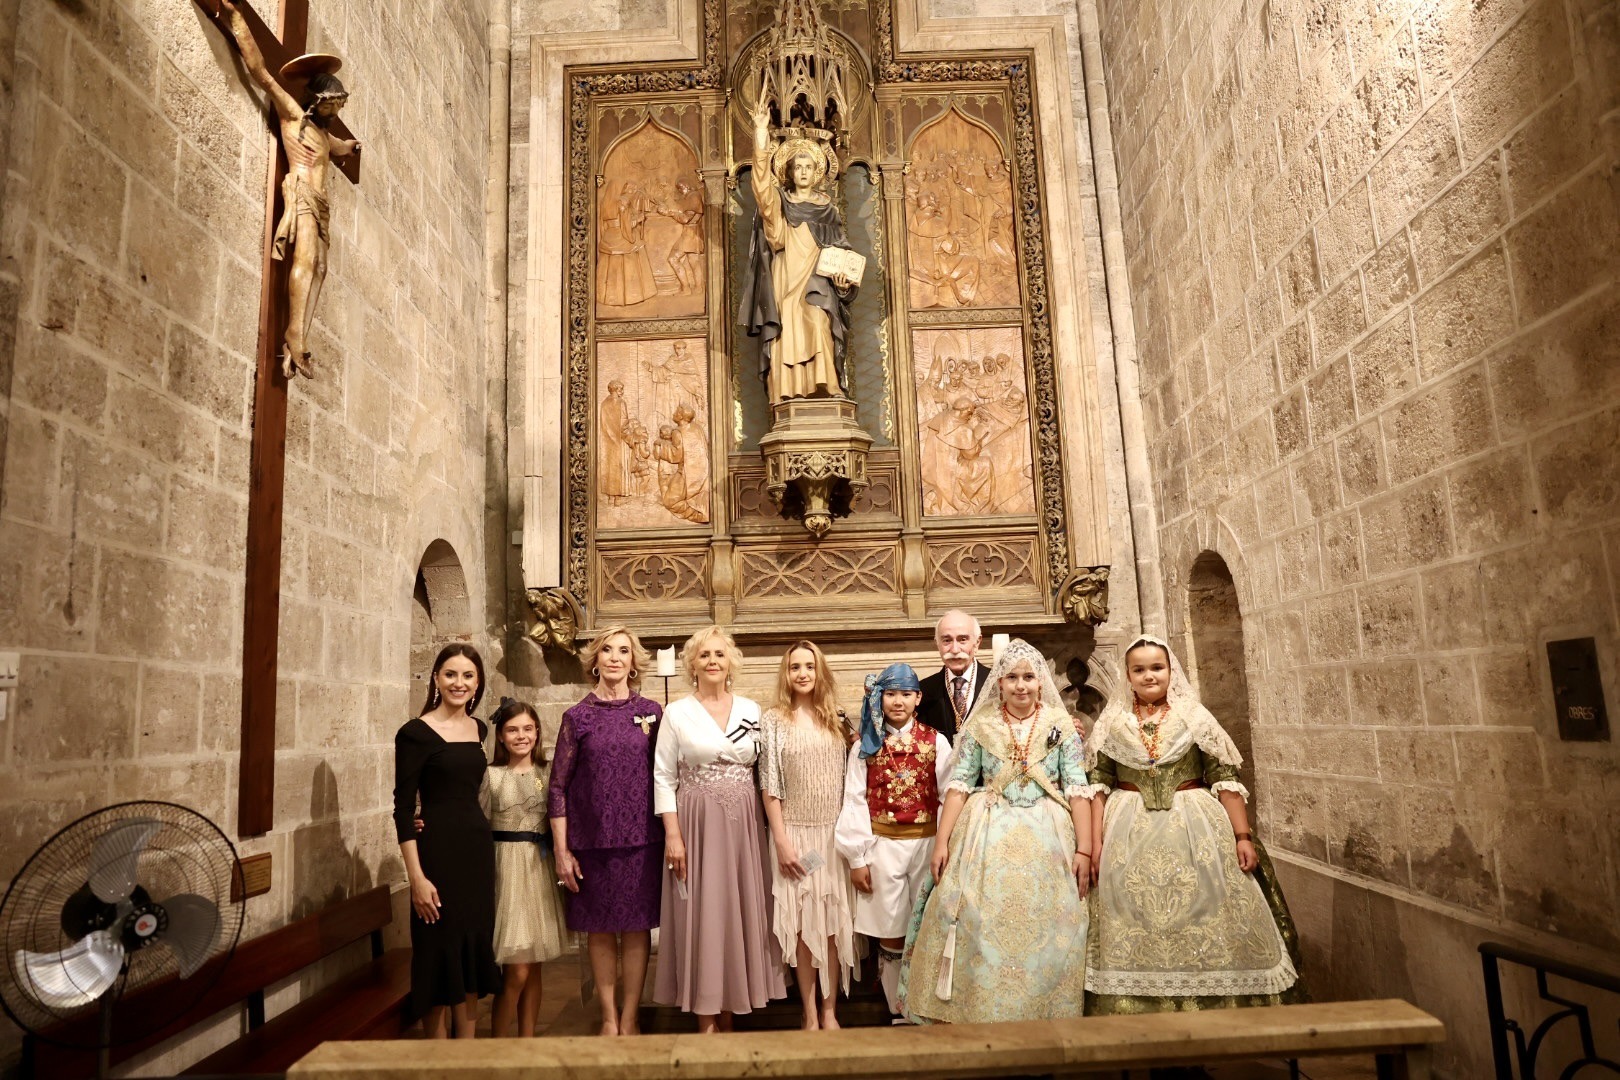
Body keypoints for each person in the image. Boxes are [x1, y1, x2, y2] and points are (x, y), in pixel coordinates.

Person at [1084, 635, 1303, 1013]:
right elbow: (1098, 785)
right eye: (1139, 669)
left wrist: (1242, 836)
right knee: (1133, 918)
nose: (1149, 676)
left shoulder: (1195, 718)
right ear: (1127, 675)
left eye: (1157, 668)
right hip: (1126, 831)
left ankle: (1211, 1010)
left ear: (1171, 672)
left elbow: (1223, 776)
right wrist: (1095, 842)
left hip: (1195, 827)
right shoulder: (1112, 723)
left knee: (1204, 910)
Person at [899, 639, 1091, 1023]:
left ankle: (1043, 1012)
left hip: (1047, 835)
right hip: (985, 831)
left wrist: (1084, 849)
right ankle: (980, 1008)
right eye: (1012, 678)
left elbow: (1077, 787)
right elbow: (959, 786)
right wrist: (942, 841)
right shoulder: (981, 727)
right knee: (976, 917)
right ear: (999, 683)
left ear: (1041, 682)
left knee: (1050, 921)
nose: (1021, 685)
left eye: (1029, 678)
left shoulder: (1059, 726)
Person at [216, 0, 360, 378]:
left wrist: (352, 147)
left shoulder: (327, 137)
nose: (337, 112)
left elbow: (341, 147)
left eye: (341, 106)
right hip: (301, 194)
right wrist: (235, 17)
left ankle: (300, 332)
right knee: (306, 260)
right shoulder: (294, 116)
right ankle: (294, 333)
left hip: (322, 204)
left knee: (323, 268)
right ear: (318, 99)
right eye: (333, 105)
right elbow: (261, 73)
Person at [654, 626, 784, 1031]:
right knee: (704, 911)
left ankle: (731, 1010)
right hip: (696, 823)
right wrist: (673, 836)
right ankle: (706, 1017)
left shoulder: (751, 710)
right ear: (692, 664)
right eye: (705, 654)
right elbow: (663, 776)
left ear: (731, 663)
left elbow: (767, 771)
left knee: (737, 911)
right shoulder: (677, 712)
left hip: (744, 822)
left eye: (720, 654)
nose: (713, 661)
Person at [549, 626, 664, 1036]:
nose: (615, 657)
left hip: (642, 840)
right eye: (607, 650)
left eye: (624, 651)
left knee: (636, 931)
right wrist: (562, 851)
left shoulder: (652, 712)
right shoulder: (576, 717)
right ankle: (609, 1019)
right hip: (592, 842)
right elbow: (558, 786)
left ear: (634, 662)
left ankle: (631, 1016)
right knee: (599, 932)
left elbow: (665, 777)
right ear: (595, 659)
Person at [393, 644, 501, 1037]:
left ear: (477, 683)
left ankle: (466, 1055)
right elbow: (403, 809)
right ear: (436, 678)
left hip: (474, 853)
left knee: (471, 951)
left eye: (468, 675)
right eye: (451, 674)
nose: (459, 682)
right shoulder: (414, 733)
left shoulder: (479, 729)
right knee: (437, 951)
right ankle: (438, 1060)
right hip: (435, 853)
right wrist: (416, 879)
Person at [834, 663, 950, 1016]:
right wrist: (857, 858)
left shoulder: (936, 741)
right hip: (882, 845)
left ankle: (925, 1004)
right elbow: (854, 799)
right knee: (890, 927)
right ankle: (898, 1008)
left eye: (905, 694)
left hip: (927, 844)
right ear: (879, 698)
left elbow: (947, 794)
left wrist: (946, 846)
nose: (897, 701)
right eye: (890, 694)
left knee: (927, 924)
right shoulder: (865, 747)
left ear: (918, 699)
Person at [757, 641, 858, 1030]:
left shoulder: (837, 718)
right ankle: (810, 1011)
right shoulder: (774, 721)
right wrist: (781, 840)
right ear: (785, 673)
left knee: (832, 924)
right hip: (794, 833)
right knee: (800, 925)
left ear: (820, 673)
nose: (802, 673)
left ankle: (831, 1009)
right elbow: (770, 785)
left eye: (809, 667)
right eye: (794, 667)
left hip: (832, 835)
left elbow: (858, 774)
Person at [739, 99, 857, 403]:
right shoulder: (779, 202)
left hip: (817, 283)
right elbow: (762, 190)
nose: (803, 171)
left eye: (808, 166)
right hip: (785, 278)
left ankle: (826, 387)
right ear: (789, 172)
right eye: (797, 167)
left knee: (818, 324)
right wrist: (760, 134)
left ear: (816, 171)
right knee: (784, 333)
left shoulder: (827, 209)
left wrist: (844, 282)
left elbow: (842, 252)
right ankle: (785, 392)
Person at [483, 699, 570, 1037]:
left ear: (537, 732)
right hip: (507, 870)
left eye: (527, 729)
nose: (521, 736)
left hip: (538, 869)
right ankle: (499, 1044)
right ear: (501, 737)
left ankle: (528, 1040)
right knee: (516, 970)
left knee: (533, 968)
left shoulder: (545, 775)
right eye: (512, 730)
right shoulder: (491, 776)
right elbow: (472, 819)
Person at [917, 609, 990, 743]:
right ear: (937, 643)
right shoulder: (923, 691)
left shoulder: (996, 683)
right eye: (947, 640)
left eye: (963, 640)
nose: (955, 650)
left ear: (977, 642)